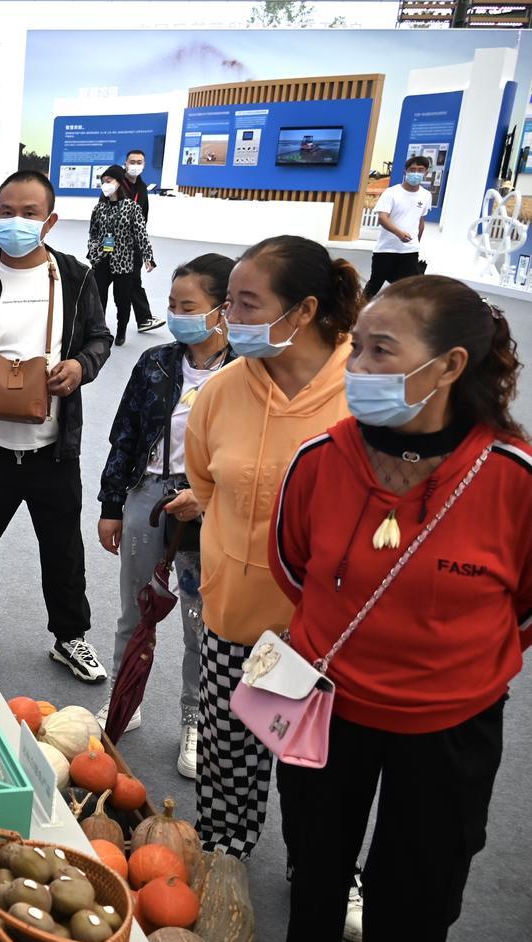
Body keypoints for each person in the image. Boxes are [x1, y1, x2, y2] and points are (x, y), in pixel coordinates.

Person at [271, 276, 530, 942]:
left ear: (449, 366)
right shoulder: (321, 459)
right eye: (357, 348)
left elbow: (525, 609)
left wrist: (439, 660)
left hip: (447, 731)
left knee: (416, 896)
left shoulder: (514, 479)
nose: (356, 369)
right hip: (325, 712)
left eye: (381, 351)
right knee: (315, 873)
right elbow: (296, 570)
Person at [184, 234, 360, 860]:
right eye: (228, 303)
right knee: (228, 750)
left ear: (304, 311)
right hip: (233, 611)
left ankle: (327, 872)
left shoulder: (359, 393)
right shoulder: (224, 389)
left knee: (321, 769)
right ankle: (223, 848)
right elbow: (205, 482)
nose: (230, 319)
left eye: (248, 305)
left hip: (326, 631)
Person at [0, 169, 113, 679]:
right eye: (7, 211)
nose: (16, 221)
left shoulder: (76, 278)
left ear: (50, 220)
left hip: (53, 446)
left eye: (30, 213)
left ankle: (70, 636)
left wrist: (81, 367)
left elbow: (98, 338)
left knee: (62, 548)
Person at [98, 254, 236, 774]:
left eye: (189, 306)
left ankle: (193, 721)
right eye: (172, 304)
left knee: (201, 621)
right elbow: (125, 436)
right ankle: (123, 698)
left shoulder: (247, 371)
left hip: (212, 506)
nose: (177, 315)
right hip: (148, 495)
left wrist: (209, 494)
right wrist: (113, 505)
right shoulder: (155, 362)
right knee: (135, 607)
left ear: (222, 310)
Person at [88, 165, 157, 348]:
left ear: (119, 183)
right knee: (98, 299)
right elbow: (93, 234)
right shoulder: (99, 208)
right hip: (102, 260)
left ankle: (121, 331)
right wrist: (94, 253)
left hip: (124, 262)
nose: (105, 185)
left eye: (109, 181)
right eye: (103, 182)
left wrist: (147, 256)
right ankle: (99, 331)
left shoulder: (132, 207)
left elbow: (141, 233)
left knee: (122, 301)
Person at [364, 155, 432, 298]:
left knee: (408, 288)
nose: (416, 173)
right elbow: (382, 218)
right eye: (412, 169)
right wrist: (399, 233)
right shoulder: (392, 192)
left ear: (426, 173)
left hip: (410, 251)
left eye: (420, 170)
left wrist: (416, 243)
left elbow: (420, 222)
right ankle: (356, 313)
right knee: (374, 285)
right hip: (386, 249)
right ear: (405, 171)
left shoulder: (426, 195)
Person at [120, 150, 165, 333]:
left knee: (133, 281)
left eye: (139, 162)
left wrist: (146, 253)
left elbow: (142, 222)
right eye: (132, 161)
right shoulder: (115, 185)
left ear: (144, 165)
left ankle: (144, 319)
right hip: (113, 246)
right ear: (125, 162)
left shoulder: (142, 188)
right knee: (102, 286)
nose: (136, 165)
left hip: (134, 246)